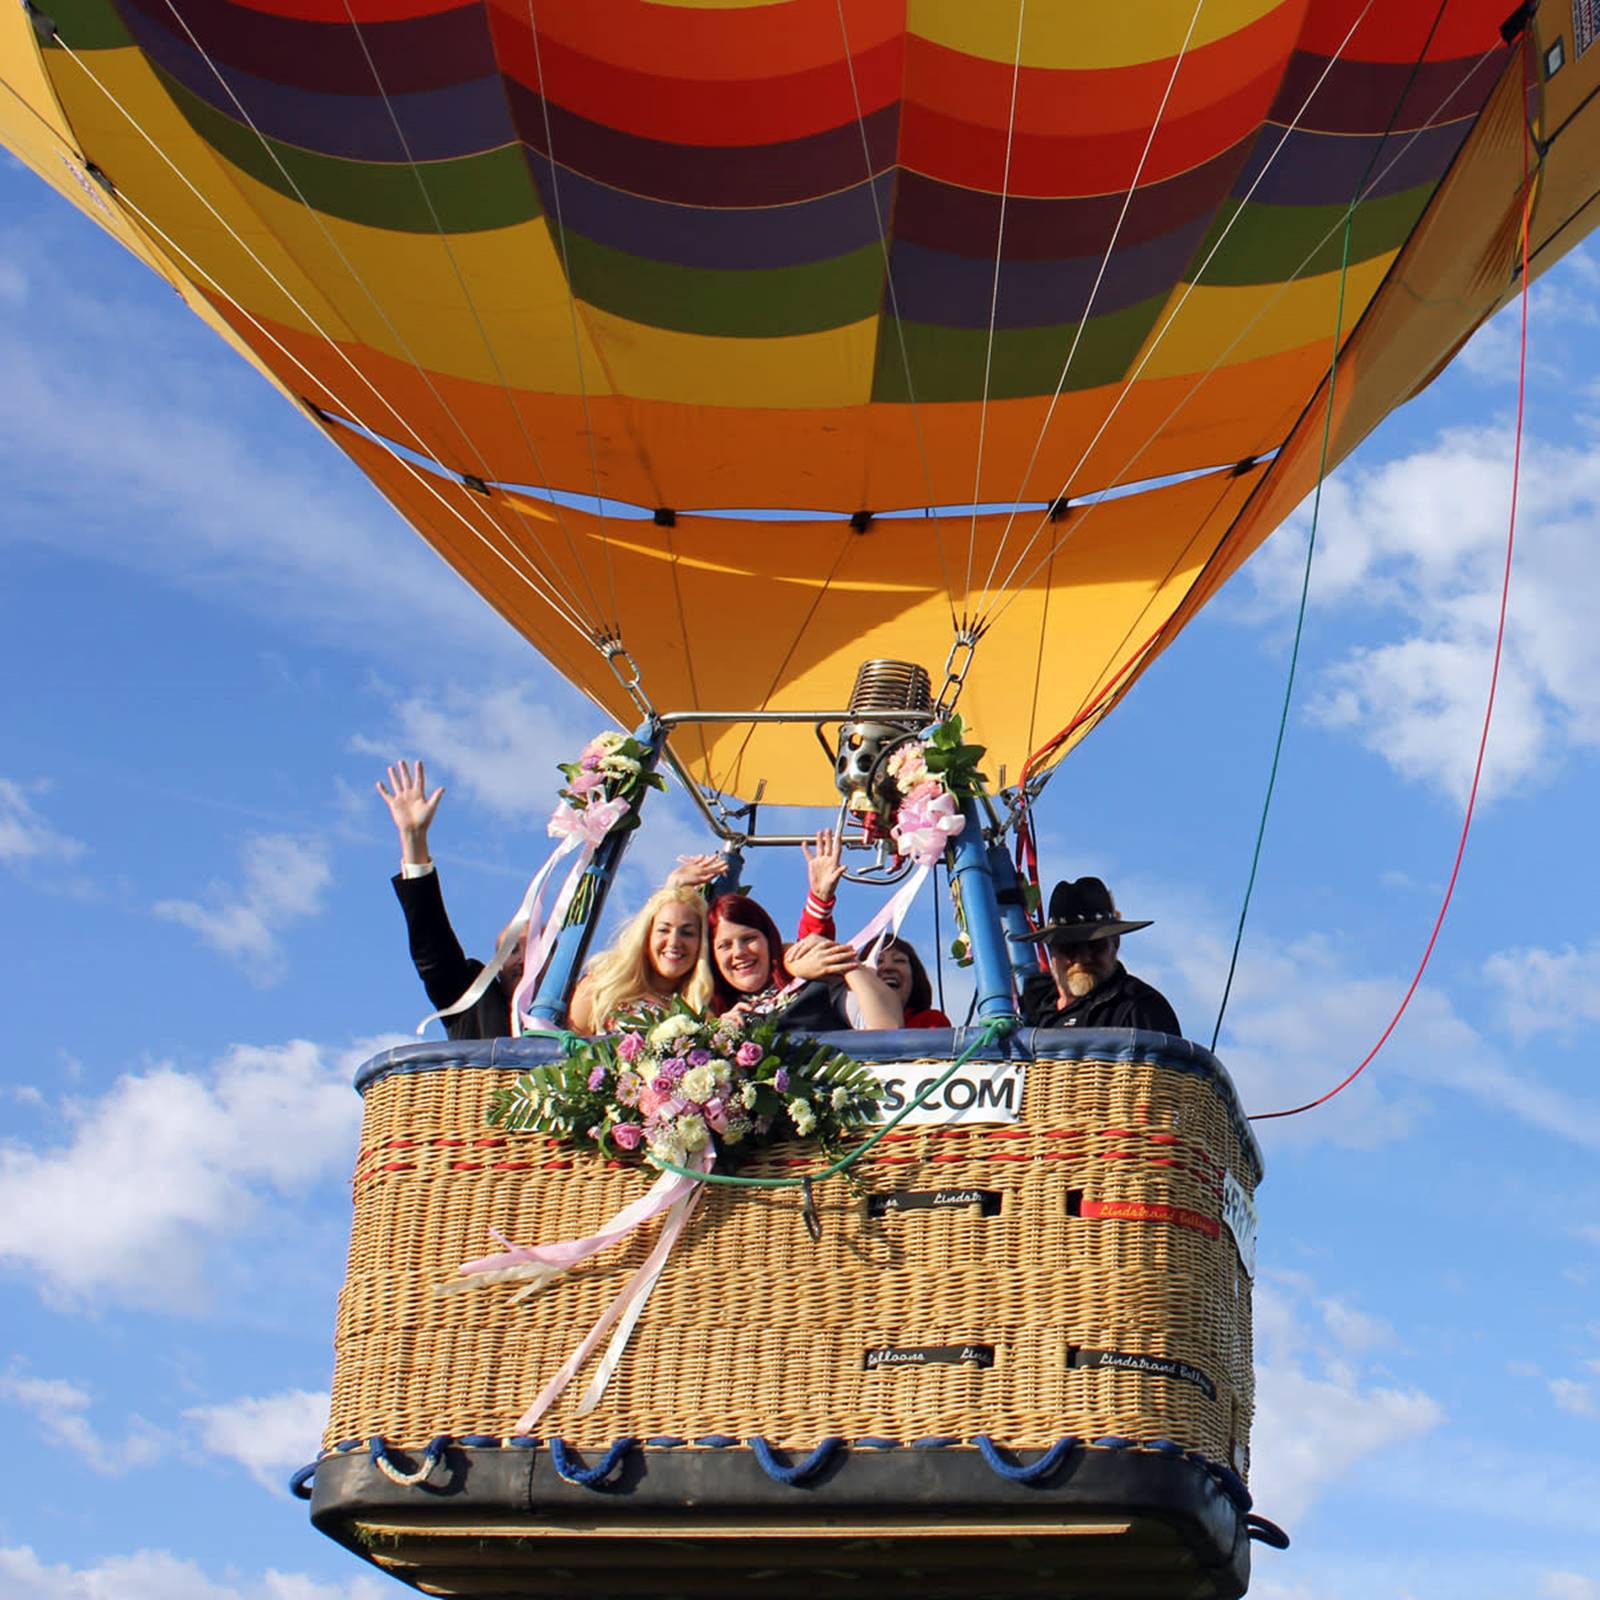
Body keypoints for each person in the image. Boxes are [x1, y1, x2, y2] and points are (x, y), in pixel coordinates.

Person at [378, 759, 513, 1040]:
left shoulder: (578, 1010)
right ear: (497, 967)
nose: (525, 958)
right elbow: (433, 949)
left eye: (538, 949)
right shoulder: (473, 998)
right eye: (512, 950)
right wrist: (414, 838)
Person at [708, 893, 903, 1031]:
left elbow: (887, 1027)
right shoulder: (710, 1014)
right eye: (724, 945)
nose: (739, 952)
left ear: (770, 941)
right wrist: (724, 1039)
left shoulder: (816, 988)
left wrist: (842, 958)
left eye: (749, 939)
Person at [1015, 877, 1180, 1035]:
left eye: (1096, 945)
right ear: (1052, 951)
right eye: (1069, 948)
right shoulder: (1028, 1012)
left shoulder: (1141, 1007)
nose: (1083, 958)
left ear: (1115, 943)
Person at [567, 878, 716, 1033]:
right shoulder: (602, 986)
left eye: (687, 933)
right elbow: (564, 1050)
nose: (674, 942)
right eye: (663, 930)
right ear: (646, 935)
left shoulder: (702, 1011)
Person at [873, 936, 952, 1029]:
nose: (888, 967)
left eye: (899, 960)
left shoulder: (929, 1022)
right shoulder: (852, 1028)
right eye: (878, 961)